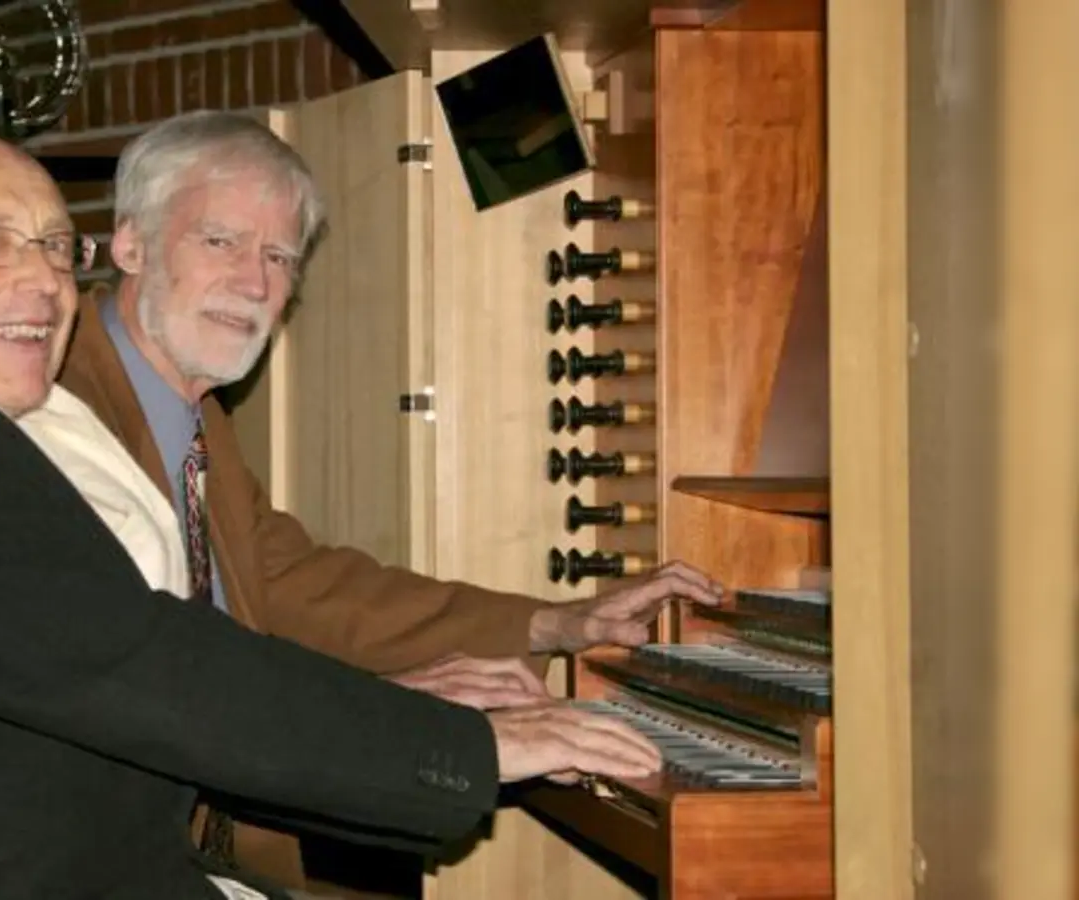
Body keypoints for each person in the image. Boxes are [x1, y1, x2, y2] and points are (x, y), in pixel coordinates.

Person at [0, 129, 667, 900]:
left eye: (46, 248)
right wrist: (459, 747)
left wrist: (546, 629)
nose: (37, 279)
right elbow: (134, 659)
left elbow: (277, 583)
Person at [57, 109, 725, 888]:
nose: (255, 280)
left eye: (279, 255)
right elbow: (155, 675)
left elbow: (291, 579)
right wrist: (390, 707)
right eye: (221, 241)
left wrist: (557, 621)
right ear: (130, 243)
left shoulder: (192, 411)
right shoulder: (61, 408)